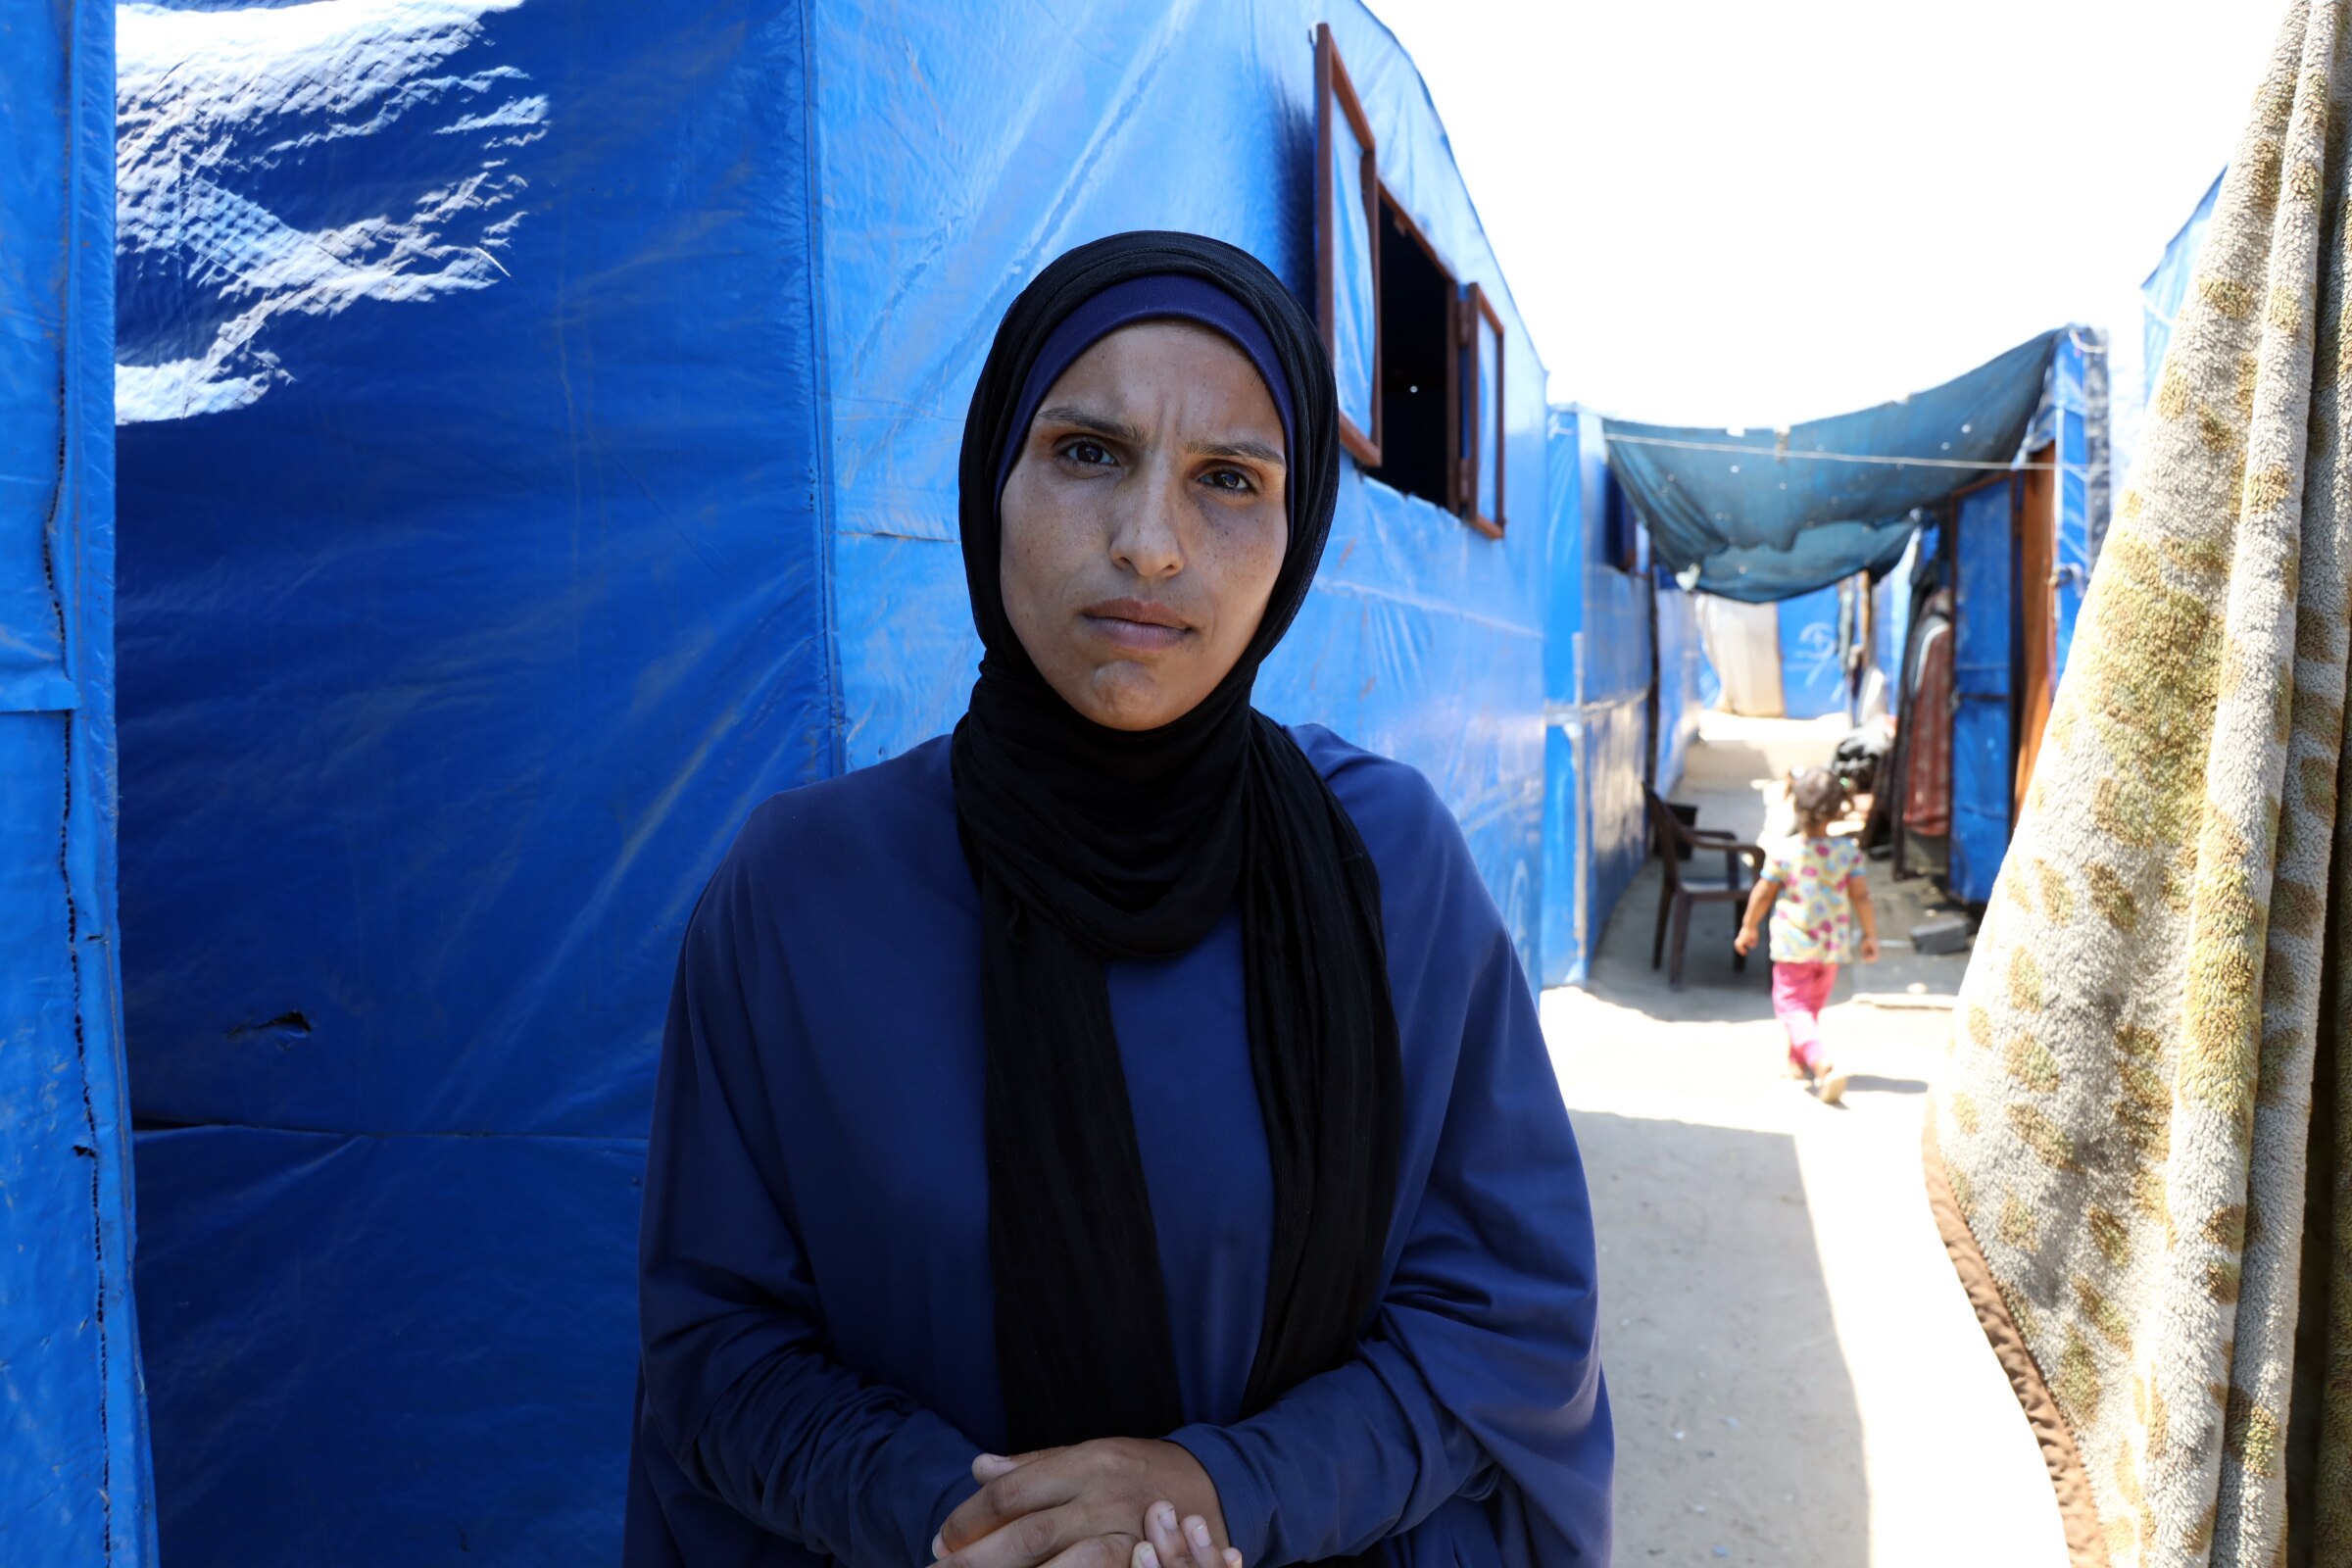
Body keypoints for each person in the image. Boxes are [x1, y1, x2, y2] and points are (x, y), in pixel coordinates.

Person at [623, 232, 1612, 1568]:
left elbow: (1504, 1317)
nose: (1151, 544)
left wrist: (1233, 1493)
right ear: (993, 485)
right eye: (1089, 452)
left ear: (1297, 530)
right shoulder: (800, 896)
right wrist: (971, 1522)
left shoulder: (1388, 870)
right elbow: (718, 1351)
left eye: (1229, 480)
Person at [1733, 767, 1880, 1106]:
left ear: (1795, 805)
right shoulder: (1848, 853)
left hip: (1792, 946)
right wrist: (1870, 935)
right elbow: (1861, 897)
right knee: (1809, 1006)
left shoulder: (1785, 852)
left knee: (1792, 1005)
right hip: (1831, 948)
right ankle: (1795, 1061)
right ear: (1837, 808)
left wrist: (1748, 925)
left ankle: (1819, 1061)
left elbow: (1763, 893)